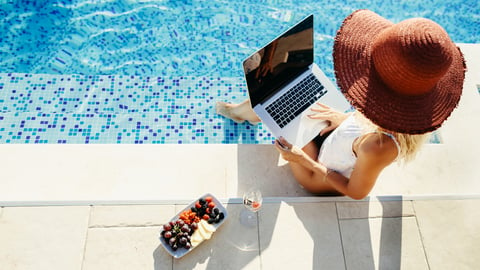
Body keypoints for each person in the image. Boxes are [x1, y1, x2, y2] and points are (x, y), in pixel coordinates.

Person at [216, 10, 466, 200]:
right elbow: (362, 134)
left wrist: (301, 159)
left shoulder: (379, 146)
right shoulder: (401, 113)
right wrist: (345, 121)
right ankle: (245, 112)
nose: (365, 82)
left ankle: (242, 113)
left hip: (318, 173)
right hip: (336, 139)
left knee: (275, 101)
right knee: (287, 89)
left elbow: (356, 192)